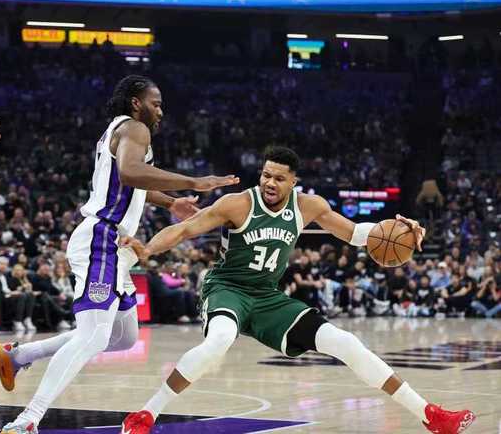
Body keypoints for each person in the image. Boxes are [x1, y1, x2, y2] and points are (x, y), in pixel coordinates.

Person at [119, 146, 474, 434]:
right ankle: (145, 415)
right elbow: (184, 229)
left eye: (279, 178)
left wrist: (402, 230)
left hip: (267, 297)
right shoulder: (237, 204)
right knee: (219, 341)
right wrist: (148, 249)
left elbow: (354, 234)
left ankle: (430, 415)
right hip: (227, 288)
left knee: (346, 343)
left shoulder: (308, 206)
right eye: (266, 175)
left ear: (293, 181)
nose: (270, 182)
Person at [0, 74, 239, 433]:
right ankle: (28, 419)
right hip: (102, 239)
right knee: (93, 336)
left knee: (123, 337)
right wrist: (192, 181)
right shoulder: (136, 129)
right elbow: (130, 172)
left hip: (116, 247)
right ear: (136, 103)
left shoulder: (120, 130)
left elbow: (130, 181)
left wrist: (171, 203)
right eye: (155, 103)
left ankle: (20, 356)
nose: (161, 111)